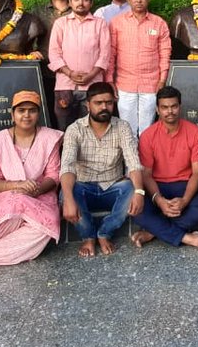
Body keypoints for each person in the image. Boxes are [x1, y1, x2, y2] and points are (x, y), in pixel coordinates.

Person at [0, 91, 63, 272]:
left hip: (41, 197)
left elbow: (53, 175)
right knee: (15, 208)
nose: (26, 115)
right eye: (21, 110)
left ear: (38, 114)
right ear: (12, 114)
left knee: (44, 230)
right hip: (8, 197)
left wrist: (37, 189)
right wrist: (17, 185)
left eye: (32, 110)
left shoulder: (49, 138)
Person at [60, 82, 146, 257]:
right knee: (66, 193)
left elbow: (133, 161)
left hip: (113, 187)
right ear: (88, 105)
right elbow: (67, 165)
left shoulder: (122, 127)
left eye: (108, 103)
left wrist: (139, 191)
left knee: (131, 188)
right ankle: (88, 236)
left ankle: (104, 232)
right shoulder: (75, 129)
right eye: (98, 103)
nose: (104, 107)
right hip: (83, 187)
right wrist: (68, 199)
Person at [131, 87, 198, 249]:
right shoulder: (148, 135)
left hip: (184, 184)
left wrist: (184, 201)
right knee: (137, 210)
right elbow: (146, 174)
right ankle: (188, 238)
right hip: (157, 186)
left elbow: (197, 171)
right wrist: (159, 200)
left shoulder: (195, 132)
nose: (170, 111)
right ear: (157, 109)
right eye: (164, 107)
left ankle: (153, 232)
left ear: (180, 106)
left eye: (174, 106)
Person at [109, 0, 172, 137]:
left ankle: (145, 161)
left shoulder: (159, 23)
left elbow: (165, 53)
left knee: (147, 130)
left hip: (151, 84)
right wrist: (109, 80)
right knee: (127, 130)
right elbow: (111, 53)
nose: (139, 0)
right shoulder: (117, 23)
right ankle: (130, 162)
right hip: (125, 83)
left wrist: (162, 81)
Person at [48, 0, 112, 130]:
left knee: (90, 129)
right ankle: (65, 153)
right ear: (70, 1)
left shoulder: (100, 24)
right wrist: (69, 73)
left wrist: (91, 74)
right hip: (65, 85)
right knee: (64, 129)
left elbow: (105, 53)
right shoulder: (61, 24)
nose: (80, 3)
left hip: (92, 85)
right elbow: (53, 52)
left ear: (91, 2)